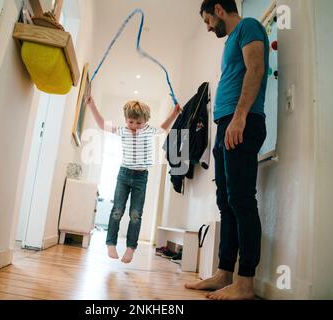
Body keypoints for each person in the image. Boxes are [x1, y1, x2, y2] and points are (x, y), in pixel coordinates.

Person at [185, 0, 269, 300]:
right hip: (226, 125)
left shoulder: (248, 27)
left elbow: (256, 68)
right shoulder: (231, 40)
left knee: (242, 200)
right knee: (225, 200)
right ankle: (224, 274)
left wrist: (240, 117)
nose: (208, 27)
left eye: (208, 19)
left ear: (219, 10)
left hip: (241, 123)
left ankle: (245, 283)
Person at [86, 96, 181, 263]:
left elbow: (164, 126)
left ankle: (130, 248)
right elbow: (101, 125)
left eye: (138, 123)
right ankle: (111, 243)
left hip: (141, 177)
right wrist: (92, 105)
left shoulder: (149, 131)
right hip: (123, 175)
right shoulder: (122, 130)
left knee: (136, 214)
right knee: (117, 211)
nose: (134, 126)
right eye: (131, 122)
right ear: (126, 120)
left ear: (145, 121)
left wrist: (174, 112)